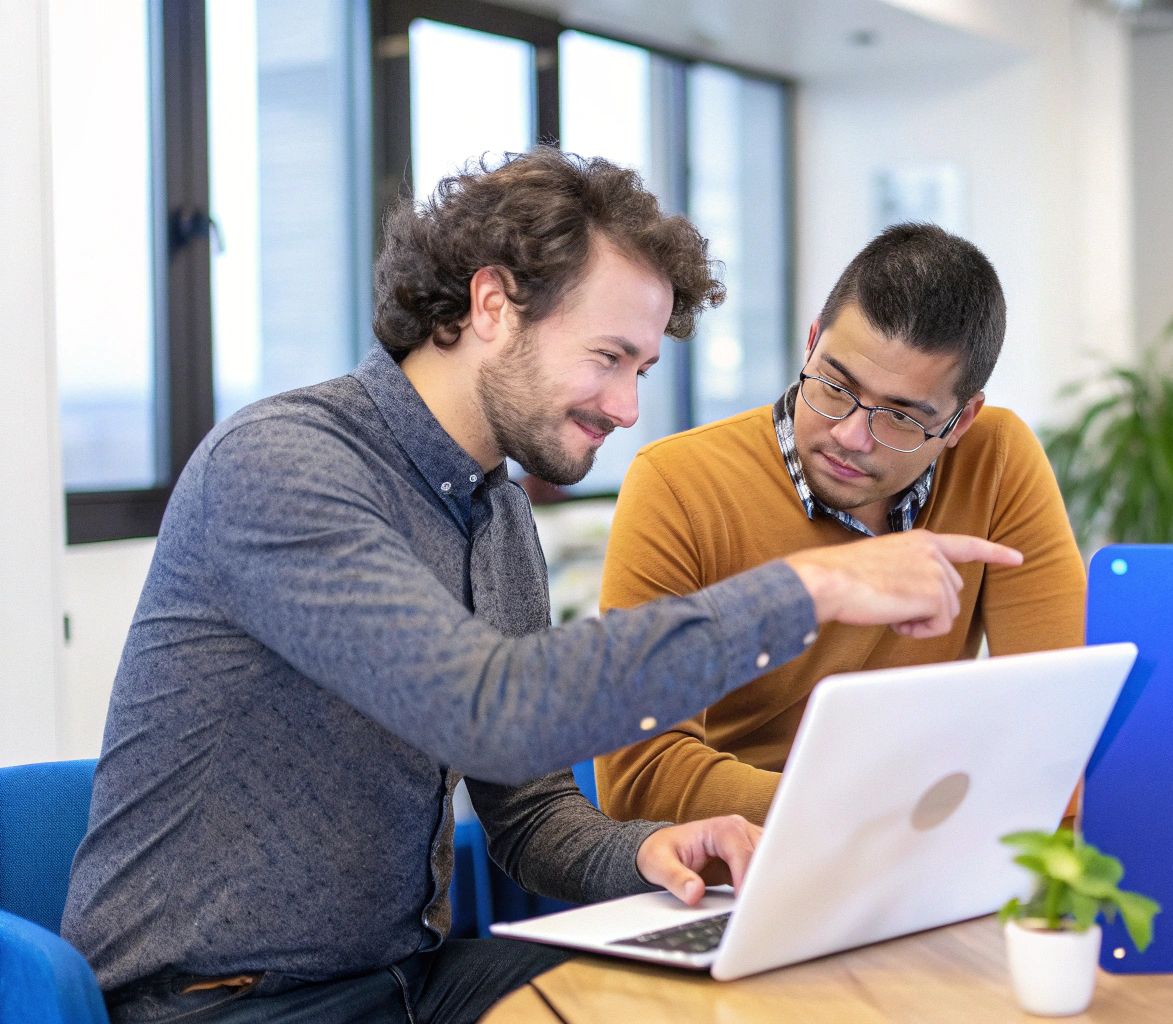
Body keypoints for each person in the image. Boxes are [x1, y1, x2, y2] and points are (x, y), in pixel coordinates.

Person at [61, 150, 1019, 1024]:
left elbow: (524, 808)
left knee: (743, 1001)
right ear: (491, 306)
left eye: (642, 368)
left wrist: (643, 850)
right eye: (607, 358)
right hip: (221, 1003)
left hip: (405, 982)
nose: (628, 407)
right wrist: (807, 590)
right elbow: (494, 710)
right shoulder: (284, 464)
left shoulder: (494, 512)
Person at [593, 223, 1086, 826]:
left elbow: (1062, 735)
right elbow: (638, 778)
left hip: (918, 848)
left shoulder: (996, 458)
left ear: (960, 422)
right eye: (835, 385)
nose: (850, 436)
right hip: (740, 873)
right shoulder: (678, 483)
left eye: (902, 418)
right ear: (811, 342)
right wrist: (866, 816)